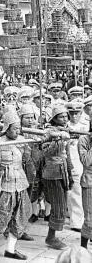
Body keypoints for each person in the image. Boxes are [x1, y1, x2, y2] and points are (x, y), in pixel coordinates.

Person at [0, 111, 32, 261]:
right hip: (4, 182)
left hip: (20, 181)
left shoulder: (22, 140)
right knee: (0, 216)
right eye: (14, 129)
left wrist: (27, 150)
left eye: (19, 128)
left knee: (22, 214)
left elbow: (27, 159)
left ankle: (10, 249)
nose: (17, 131)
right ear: (7, 128)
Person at [40, 104, 74, 250]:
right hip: (52, 173)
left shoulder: (65, 131)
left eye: (66, 116)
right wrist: (58, 140)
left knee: (62, 205)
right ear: (54, 119)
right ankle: (51, 237)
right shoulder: (47, 132)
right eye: (61, 116)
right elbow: (47, 153)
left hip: (63, 172)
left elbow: (67, 155)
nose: (64, 119)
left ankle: (53, 235)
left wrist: (70, 172)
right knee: (58, 206)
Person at [67, 100, 87, 232]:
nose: (74, 116)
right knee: (75, 191)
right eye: (72, 113)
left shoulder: (86, 126)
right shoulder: (65, 126)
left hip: (85, 161)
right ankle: (76, 221)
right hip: (73, 162)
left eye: (77, 113)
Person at [78, 117, 92, 249]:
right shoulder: (84, 140)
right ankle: (83, 248)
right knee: (89, 219)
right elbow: (86, 161)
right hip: (89, 182)